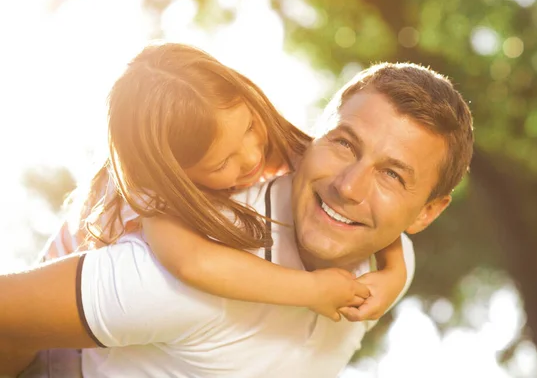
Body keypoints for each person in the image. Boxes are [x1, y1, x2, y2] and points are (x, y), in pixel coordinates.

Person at [0, 60, 473, 377]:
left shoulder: (389, 270)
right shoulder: (182, 273)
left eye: (391, 175)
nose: (349, 187)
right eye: (344, 143)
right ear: (315, 137)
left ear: (427, 212)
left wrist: (392, 275)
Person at [40, 42, 408, 323]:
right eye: (222, 163)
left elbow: (340, 187)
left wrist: (394, 271)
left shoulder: (262, 142)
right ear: (175, 174)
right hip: (56, 312)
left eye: (249, 127)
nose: (250, 156)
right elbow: (195, 264)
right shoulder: (149, 189)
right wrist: (309, 290)